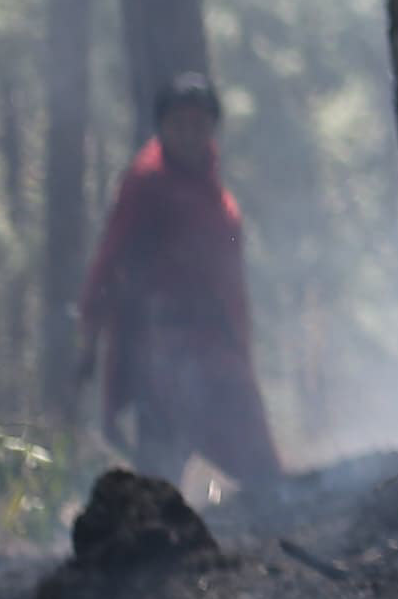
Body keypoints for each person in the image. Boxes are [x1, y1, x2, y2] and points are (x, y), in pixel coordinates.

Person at [76, 72, 286, 492]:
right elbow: (111, 256)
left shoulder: (212, 187)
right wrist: (91, 333)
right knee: (162, 463)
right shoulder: (147, 182)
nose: (189, 134)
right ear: (163, 128)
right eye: (179, 124)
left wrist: (240, 340)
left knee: (255, 462)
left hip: (214, 344)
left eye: (199, 124)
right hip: (160, 347)